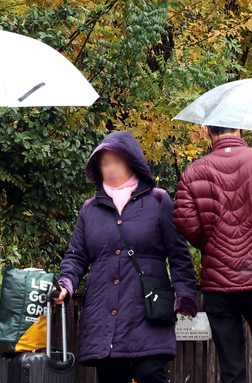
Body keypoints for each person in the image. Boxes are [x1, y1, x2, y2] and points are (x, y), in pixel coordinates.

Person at [50, 131, 198, 383]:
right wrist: (65, 284)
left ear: (132, 162)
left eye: (117, 161)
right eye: (105, 163)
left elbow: (178, 254)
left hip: (146, 307)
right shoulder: (90, 209)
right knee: (111, 376)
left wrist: (185, 295)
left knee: (148, 371)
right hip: (104, 308)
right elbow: (75, 256)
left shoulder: (158, 200)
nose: (111, 168)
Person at [174, 126, 252, 383]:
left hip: (218, 284)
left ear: (207, 130)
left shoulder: (192, 173)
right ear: (241, 127)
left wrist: (211, 244)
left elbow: (185, 223)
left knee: (231, 370)